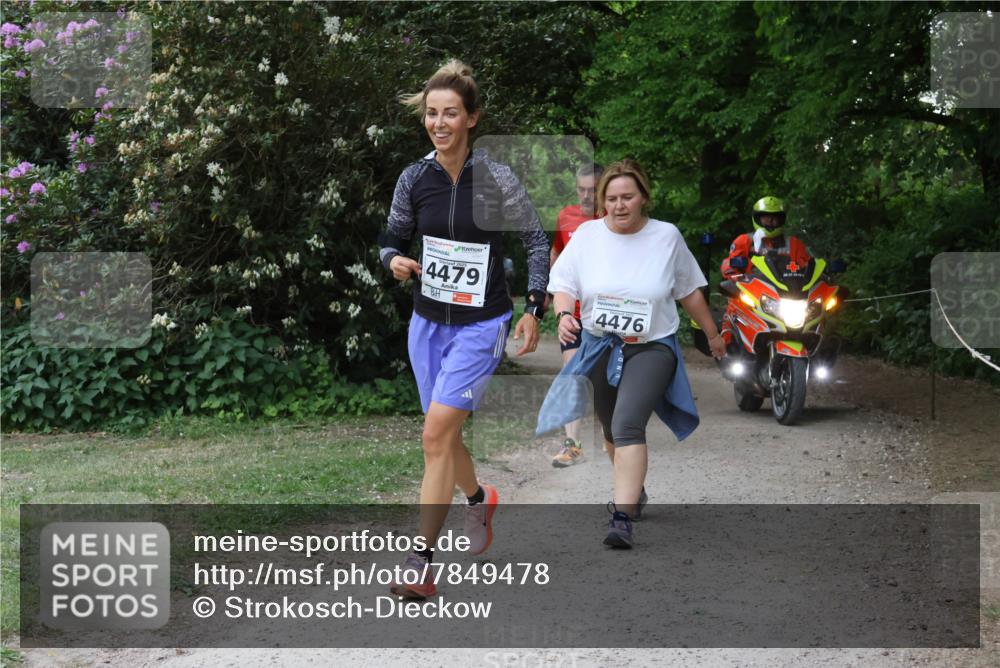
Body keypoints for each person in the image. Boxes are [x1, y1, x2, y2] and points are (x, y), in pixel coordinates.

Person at [379, 60, 549, 598]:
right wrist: (393, 260)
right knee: (443, 434)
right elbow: (390, 238)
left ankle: (421, 564)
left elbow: (536, 240)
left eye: (450, 113)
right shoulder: (414, 178)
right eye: (431, 113)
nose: (439, 123)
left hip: (482, 324)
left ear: (471, 118)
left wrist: (534, 307)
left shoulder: (496, 179)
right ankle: (479, 500)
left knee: (434, 435)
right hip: (427, 323)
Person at [536, 159, 726, 548]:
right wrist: (563, 315)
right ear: (602, 201)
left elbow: (689, 291)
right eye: (611, 199)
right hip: (600, 344)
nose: (619, 206)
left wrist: (712, 334)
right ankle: (633, 490)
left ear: (643, 197)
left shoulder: (666, 236)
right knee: (609, 427)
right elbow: (564, 284)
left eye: (627, 197)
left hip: (652, 346)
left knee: (626, 424)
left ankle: (621, 517)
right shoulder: (587, 236)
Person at [548, 162, 603, 468]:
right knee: (572, 375)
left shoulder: (616, 218)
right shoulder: (566, 216)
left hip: (608, 314)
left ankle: (616, 434)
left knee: (608, 376)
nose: (585, 196)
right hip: (575, 313)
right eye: (581, 190)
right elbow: (557, 252)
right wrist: (553, 292)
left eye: (592, 190)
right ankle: (572, 445)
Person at [721, 196, 811, 279]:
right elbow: (730, 264)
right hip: (752, 287)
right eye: (765, 217)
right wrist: (734, 274)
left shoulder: (794, 243)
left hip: (789, 287)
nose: (770, 221)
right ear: (757, 218)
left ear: (781, 219)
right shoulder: (744, 240)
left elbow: (808, 267)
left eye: (774, 218)